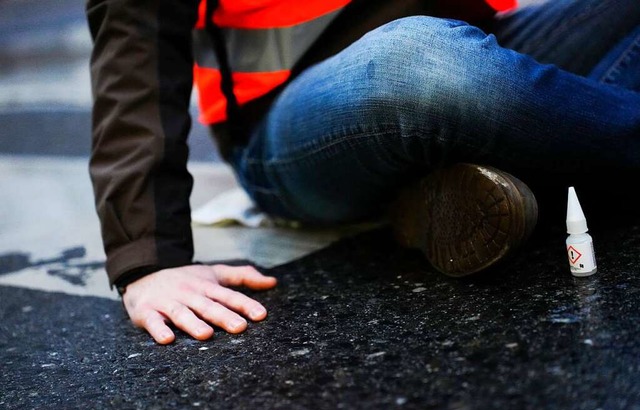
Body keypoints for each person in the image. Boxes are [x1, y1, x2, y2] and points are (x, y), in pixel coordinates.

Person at [86, 0, 640, 344]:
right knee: (420, 59)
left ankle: (438, 189)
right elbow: (134, 45)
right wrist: (148, 260)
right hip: (296, 128)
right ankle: (556, 152)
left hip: (476, 50)